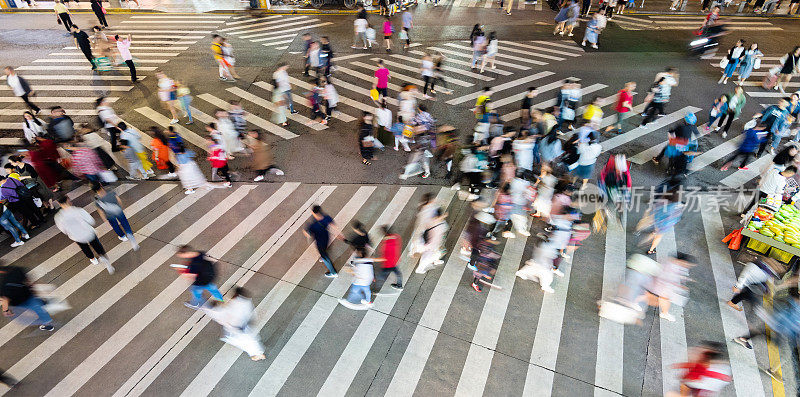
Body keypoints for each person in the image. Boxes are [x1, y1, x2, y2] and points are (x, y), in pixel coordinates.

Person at [201, 287, 265, 361]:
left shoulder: (233, 305)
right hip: (245, 326)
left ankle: (258, 354)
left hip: (238, 329)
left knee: (245, 342)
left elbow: (222, 315)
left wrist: (212, 308)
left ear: (236, 295)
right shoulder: (245, 302)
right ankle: (257, 353)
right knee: (250, 340)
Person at [54, 196, 114, 273]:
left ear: (59, 203)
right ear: (68, 200)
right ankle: (105, 260)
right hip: (88, 233)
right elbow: (92, 221)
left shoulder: (58, 217)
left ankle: (93, 259)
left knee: (85, 248)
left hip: (76, 237)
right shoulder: (78, 210)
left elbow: (63, 230)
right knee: (97, 246)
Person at [1, 265, 54, 332]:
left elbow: (5, 299)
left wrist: (5, 310)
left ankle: (47, 323)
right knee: (35, 305)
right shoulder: (16, 269)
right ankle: (45, 315)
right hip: (27, 293)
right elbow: (27, 280)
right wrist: (33, 288)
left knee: (34, 308)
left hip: (18, 301)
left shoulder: (2, 283)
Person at [303, 205, 343, 278]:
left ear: (313, 212)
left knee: (325, 256)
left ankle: (333, 272)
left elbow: (308, 235)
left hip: (319, 242)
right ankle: (323, 256)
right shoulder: (326, 217)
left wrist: (305, 231)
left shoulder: (313, 225)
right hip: (326, 238)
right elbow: (334, 225)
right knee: (324, 249)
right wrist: (339, 234)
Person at [415, 207, 448, 274]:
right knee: (428, 256)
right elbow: (438, 237)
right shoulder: (442, 225)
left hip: (427, 241)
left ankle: (435, 260)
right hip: (431, 244)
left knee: (432, 254)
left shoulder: (430, 220)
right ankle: (419, 269)